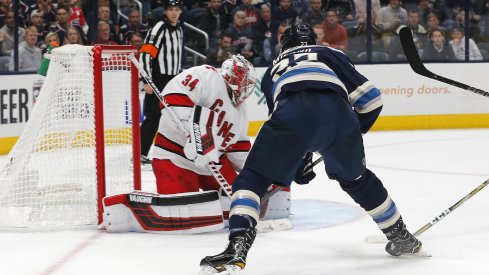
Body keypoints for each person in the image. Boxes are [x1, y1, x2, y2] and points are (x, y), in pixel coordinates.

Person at [199, 23, 424, 275]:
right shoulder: (330, 53)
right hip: (340, 119)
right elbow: (372, 100)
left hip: (292, 117)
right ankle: (401, 235)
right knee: (358, 180)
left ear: (283, 46)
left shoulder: (273, 68)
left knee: (253, 179)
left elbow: (289, 122)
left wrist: (301, 157)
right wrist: (351, 132)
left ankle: (237, 245)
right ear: (313, 40)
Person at [151, 54, 256, 198]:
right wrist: (193, 134)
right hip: (175, 156)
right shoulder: (206, 75)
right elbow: (173, 97)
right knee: (183, 210)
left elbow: (238, 149)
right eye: (244, 82)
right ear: (233, 77)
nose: (246, 87)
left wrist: (257, 172)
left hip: (213, 164)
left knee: (241, 198)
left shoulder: (240, 111)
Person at [139, 0, 184, 165]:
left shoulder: (179, 29)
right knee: (153, 116)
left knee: (175, 116)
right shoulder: (159, 28)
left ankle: (176, 151)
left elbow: (177, 56)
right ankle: (140, 152)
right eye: (171, 9)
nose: (174, 12)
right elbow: (145, 54)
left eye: (176, 9)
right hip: (158, 78)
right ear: (165, 11)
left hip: (173, 79)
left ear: (180, 11)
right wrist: (146, 79)